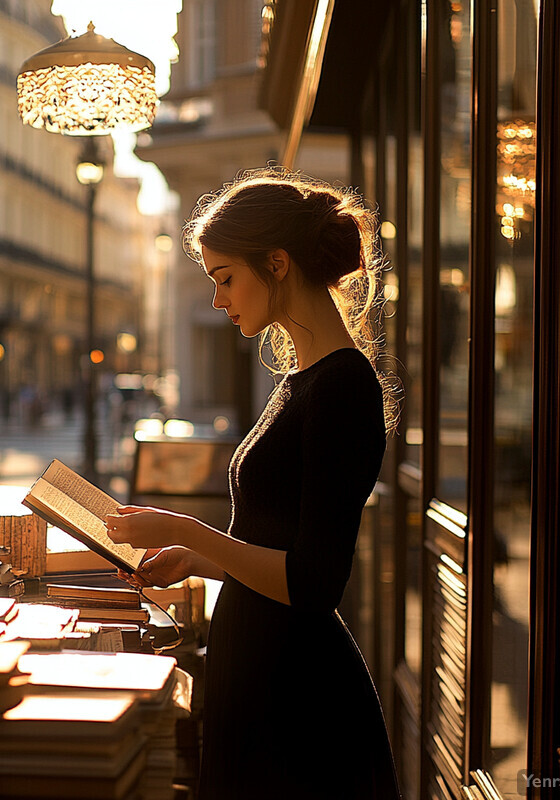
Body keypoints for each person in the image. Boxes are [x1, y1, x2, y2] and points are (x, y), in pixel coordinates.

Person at [106, 167, 402, 799]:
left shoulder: (343, 387)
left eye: (225, 278)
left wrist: (189, 530)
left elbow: (313, 582)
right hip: (264, 672)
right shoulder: (302, 376)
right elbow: (274, 540)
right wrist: (193, 557)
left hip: (298, 701)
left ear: (276, 264)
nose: (218, 300)